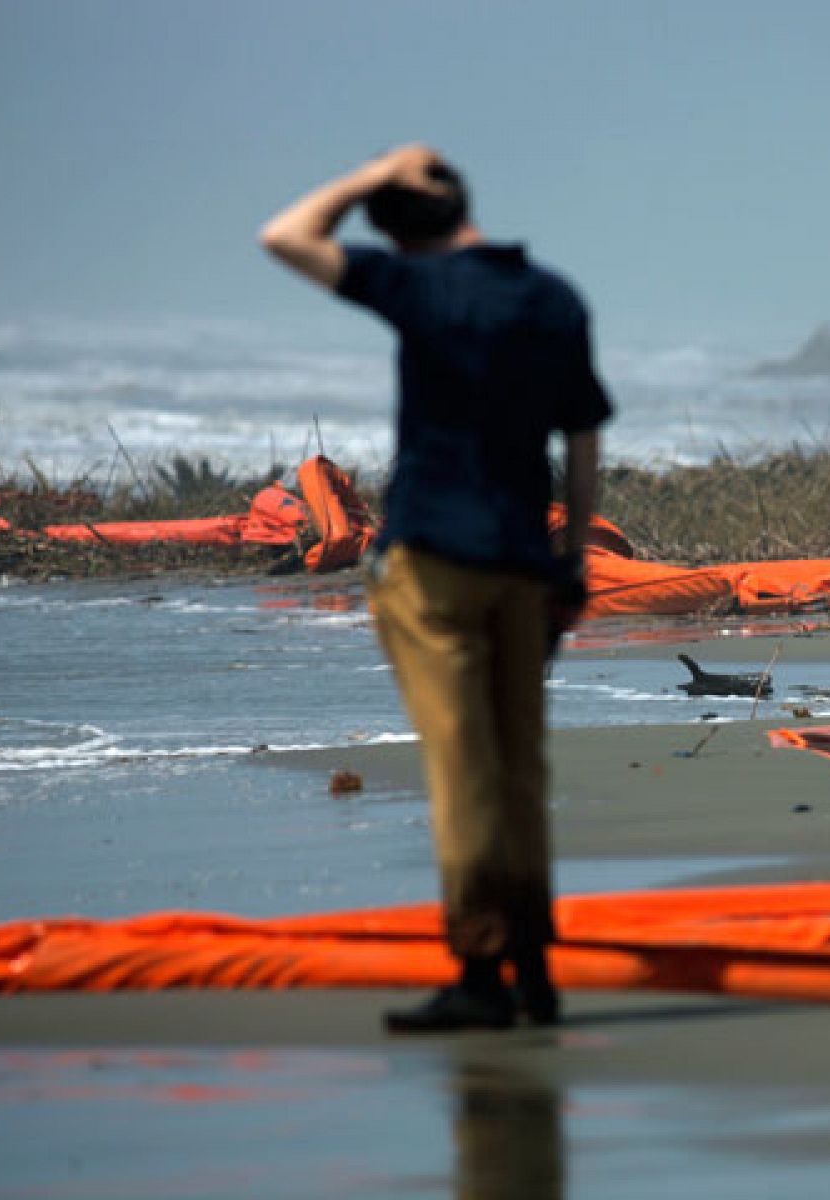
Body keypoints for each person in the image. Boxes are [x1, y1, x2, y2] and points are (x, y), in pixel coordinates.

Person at [260, 145, 612, 1032]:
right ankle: (534, 967)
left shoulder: (415, 286)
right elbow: (582, 441)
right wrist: (570, 566)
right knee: (519, 767)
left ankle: (484, 973)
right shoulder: (552, 296)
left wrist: (367, 173)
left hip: (435, 566)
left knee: (463, 769)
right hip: (527, 564)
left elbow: (285, 235)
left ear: (398, 228)